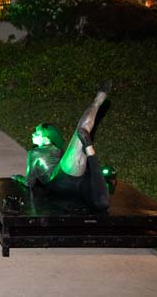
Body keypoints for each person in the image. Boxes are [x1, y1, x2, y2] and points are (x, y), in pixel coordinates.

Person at [12, 81, 112, 211]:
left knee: (79, 138)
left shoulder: (35, 153)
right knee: (79, 138)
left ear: (46, 138)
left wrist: (18, 178)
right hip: (76, 180)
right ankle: (97, 102)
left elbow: (29, 183)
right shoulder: (57, 150)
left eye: (37, 133)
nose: (32, 134)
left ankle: (96, 104)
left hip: (57, 182)